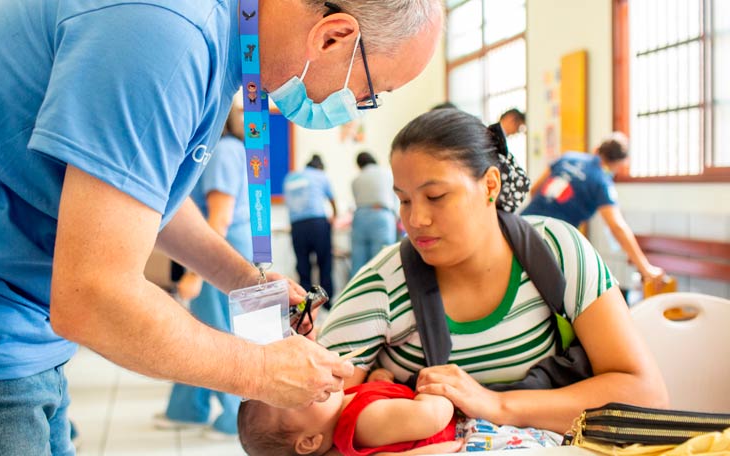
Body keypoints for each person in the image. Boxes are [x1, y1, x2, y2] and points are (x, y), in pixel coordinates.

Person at [0, 0, 444, 452]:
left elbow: (139, 191)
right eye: (372, 91)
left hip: (14, 329)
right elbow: (91, 297)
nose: (357, 106)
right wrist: (262, 372)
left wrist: (245, 279)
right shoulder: (166, 33)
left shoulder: (215, 36)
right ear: (334, 36)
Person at [318, 109, 668, 434]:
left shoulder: (558, 251)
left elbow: (645, 394)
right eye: (405, 200)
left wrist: (499, 405)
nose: (415, 220)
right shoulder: (382, 285)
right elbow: (307, 420)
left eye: (436, 196)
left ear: (490, 185)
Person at [155, 105, 250, 438]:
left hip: (221, 250)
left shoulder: (223, 152)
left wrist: (196, 273)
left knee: (218, 333)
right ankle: (187, 408)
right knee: (202, 326)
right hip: (225, 247)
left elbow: (219, 217)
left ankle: (235, 418)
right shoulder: (231, 149)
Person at [521, 133, 665, 283]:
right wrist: (646, 268)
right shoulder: (601, 181)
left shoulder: (568, 157)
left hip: (521, 224)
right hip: (548, 239)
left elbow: (534, 190)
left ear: (598, 149)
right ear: (618, 163)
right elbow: (617, 227)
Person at [238, 380, 458, 456]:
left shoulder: (343, 405)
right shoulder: (363, 421)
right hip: (460, 436)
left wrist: (380, 380)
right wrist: (435, 390)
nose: (303, 388)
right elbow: (430, 417)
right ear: (309, 442)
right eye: (296, 400)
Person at [284, 154, 338, 304]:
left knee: (302, 264)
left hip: (297, 226)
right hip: (317, 223)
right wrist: (334, 215)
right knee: (324, 262)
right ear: (320, 167)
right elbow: (332, 199)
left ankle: (304, 301)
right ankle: (326, 302)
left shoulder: (290, 177)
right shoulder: (320, 175)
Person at [350, 151, 397, 275]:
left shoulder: (356, 179)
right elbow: (396, 198)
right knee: (381, 258)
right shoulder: (387, 174)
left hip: (360, 216)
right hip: (381, 215)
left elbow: (356, 200)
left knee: (358, 260)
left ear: (359, 165)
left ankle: (356, 292)